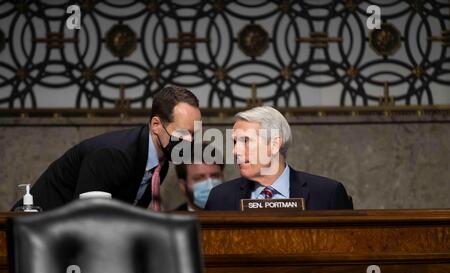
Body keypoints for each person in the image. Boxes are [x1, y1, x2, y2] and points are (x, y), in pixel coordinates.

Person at [12, 86, 201, 212]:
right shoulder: (113, 155)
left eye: (194, 133)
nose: (189, 140)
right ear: (156, 125)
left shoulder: (161, 162)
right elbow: (87, 219)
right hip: (33, 236)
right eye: (183, 132)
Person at [205, 106, 353, 211]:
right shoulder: (220, 198)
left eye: (246, 141)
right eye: (235, 142)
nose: (235, 151)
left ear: (275, 144)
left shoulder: (327, 194)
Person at [174, 145, 225, 211]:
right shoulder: (171, 220)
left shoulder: (238, 214)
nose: (210, 186)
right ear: (183, 186)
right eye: (199, 179)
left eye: (215, 176)